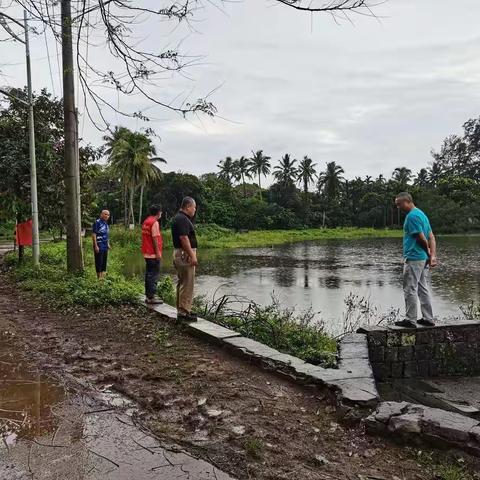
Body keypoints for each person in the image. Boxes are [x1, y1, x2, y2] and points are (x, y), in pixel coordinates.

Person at [394, 192, 438, 328]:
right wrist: (432, 255)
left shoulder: (412, 216)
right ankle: (428, 318)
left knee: (410, 288)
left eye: (399, 204)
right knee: (422, 288)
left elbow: (421, 238)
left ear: (407, 202)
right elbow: (431, 237)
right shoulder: (421, 214)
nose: (398, 207)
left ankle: (410, 320)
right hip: (422, 258)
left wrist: (428, 253)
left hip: (414, 257)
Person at [171, 197, 198, 322]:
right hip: (184, 255)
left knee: (183, 282)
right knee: (187, 283)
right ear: (188, 207)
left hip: (181, 253)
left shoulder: (180, 218)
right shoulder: (182, 219)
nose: (195, 210)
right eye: (194, 207)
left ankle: (183, 309)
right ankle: (183, 312)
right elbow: (184, 238)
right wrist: (192, 255)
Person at [141, 205, 164, 304]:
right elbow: (155, 238)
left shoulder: (146, 221)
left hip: (147, 252)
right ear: (158, 213)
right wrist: (158, 252)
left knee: (148, 274)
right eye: (161, 212)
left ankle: (148, 296)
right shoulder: (154, 223)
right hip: (153, 253)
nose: (161, 213)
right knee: (153, 275)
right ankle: (151, 297)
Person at [92, 210, 111, 279]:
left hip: (105, 245)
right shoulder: (97, 222)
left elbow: (106, 234)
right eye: (105, 214)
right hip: (99, 245)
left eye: (108, 215)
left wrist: (108, 244)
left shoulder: (106, 224)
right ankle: (99, 278)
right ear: (101, 214)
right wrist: (96, 245)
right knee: (99, 261)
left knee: (104, 262)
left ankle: (103, 278)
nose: (107, 216)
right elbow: (94, 234)